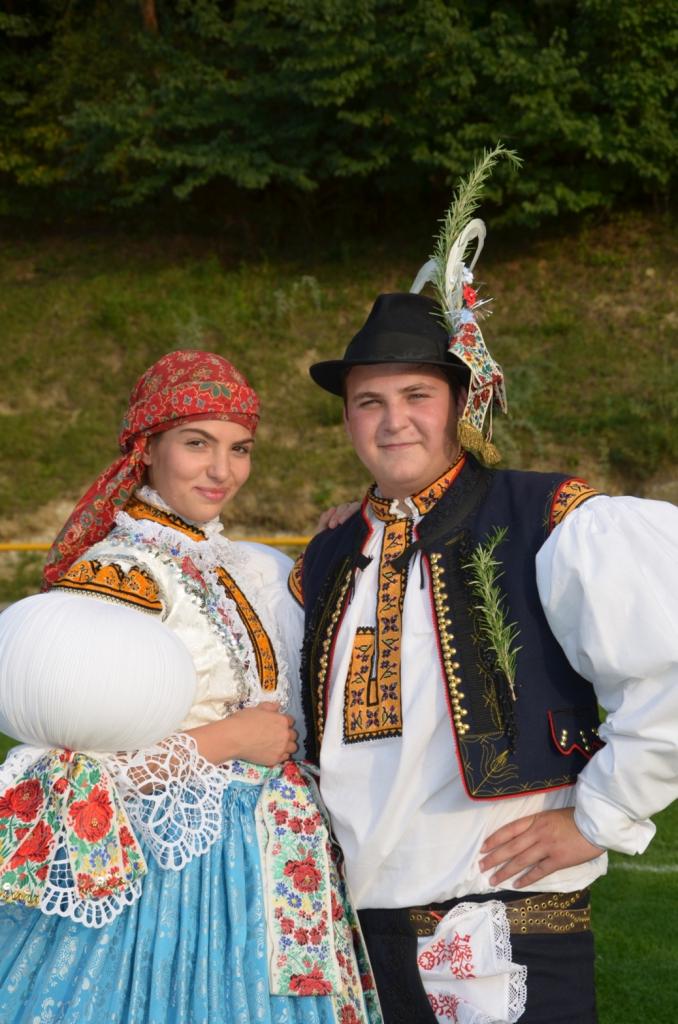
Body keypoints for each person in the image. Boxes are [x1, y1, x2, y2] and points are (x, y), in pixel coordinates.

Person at [289, 152, 678, 1024]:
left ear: (460, 403)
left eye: (416, 395)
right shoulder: (329, 557)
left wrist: (600, 816)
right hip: (355, 936)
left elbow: (671, 664)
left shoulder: (549, 519)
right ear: (346, 418)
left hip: (503, 925)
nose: (393, 420)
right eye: (369, 401)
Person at [0, 349, 381, 1024]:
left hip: (265, 863)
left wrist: (357, 519)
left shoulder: (237, 564)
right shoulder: (121, 573)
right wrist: (229, 739)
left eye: (240, 449)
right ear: (147, 449)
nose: (222, 470)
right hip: (171, 877)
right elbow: (72, 774)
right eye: (197, 444)